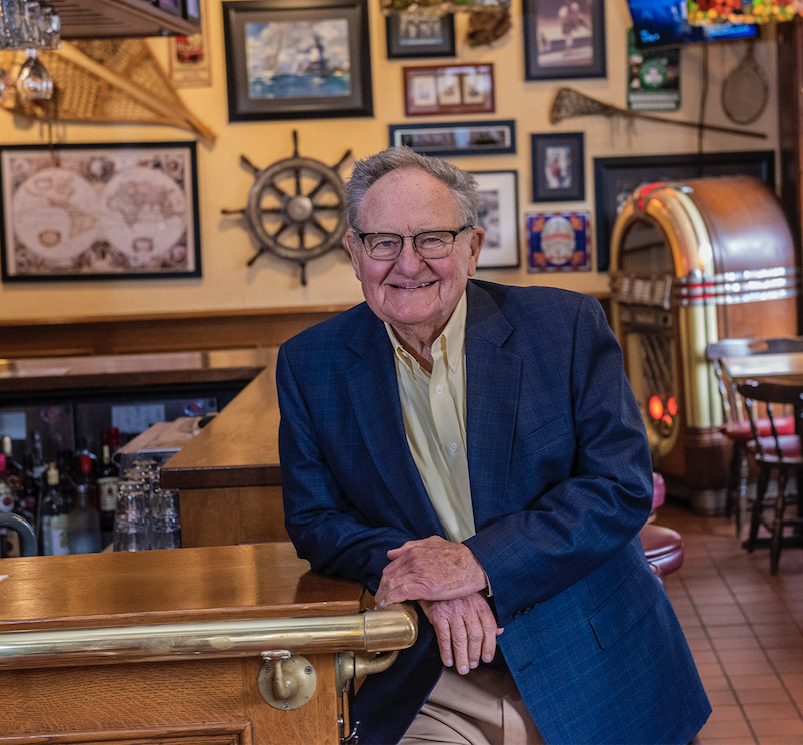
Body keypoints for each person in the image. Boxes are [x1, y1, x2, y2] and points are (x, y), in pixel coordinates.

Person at [277, 147, 709, 745]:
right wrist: (426, 575)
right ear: (354, 252)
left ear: (472, 247)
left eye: (433, 238)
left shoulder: (567, 326)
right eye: (382, 242)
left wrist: (477, 566)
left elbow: (620, 485)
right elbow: (315, 520)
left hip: (591, 658)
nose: (408, 263)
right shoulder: (309, 363)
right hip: (431, 675)